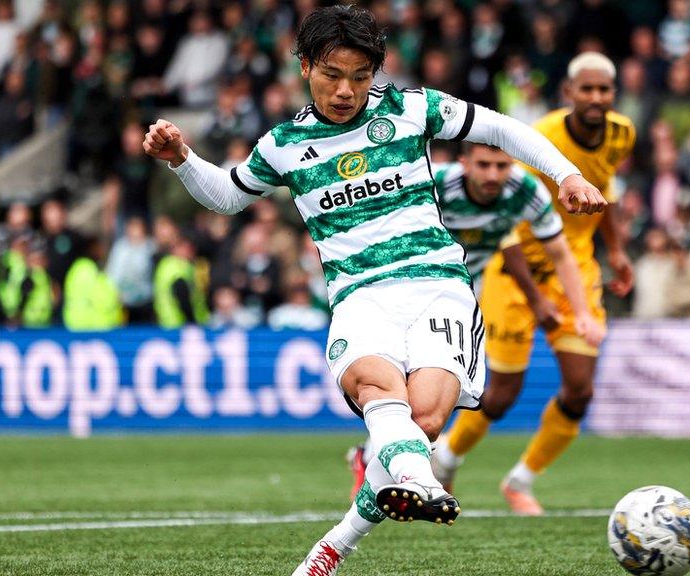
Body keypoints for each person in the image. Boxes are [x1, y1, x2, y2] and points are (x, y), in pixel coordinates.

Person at [142, 6, 604, 575]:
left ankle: (336, 543)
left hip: (439, 286)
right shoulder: (285, 144)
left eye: (360, 77)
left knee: (425, 422)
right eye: (333, 75)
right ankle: (417, 480)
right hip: (361, 294)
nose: (346, 90)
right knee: (376, 390)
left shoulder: (411, 110)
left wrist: (567, 175)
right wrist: (182, 160)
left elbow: (502, 128)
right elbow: (228, 195)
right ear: (305, 66)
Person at [431, 52, 635, 515]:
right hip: (514, 265)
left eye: (604, 90)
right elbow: (508, 226)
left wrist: (617, 249)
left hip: (574, 264)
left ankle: (521, 480)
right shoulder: (539, 140)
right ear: (569, 92)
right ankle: (447, 458)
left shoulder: (623, 133)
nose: (596, 98)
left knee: (580, 388)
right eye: (587, 89)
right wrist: (536, 296)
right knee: (501, 396)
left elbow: (607, 191)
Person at [346, 141, 607, 497]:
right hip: (404, 287)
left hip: (460, 300)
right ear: (463, 163)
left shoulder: (525, 193)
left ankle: (372, 456)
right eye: (483, 165)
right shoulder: (432, 181)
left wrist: (581, 314)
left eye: (502, 166)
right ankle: (376, 461)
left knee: (438, 393)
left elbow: (561, 254)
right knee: (406, 386)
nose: (493, 175)